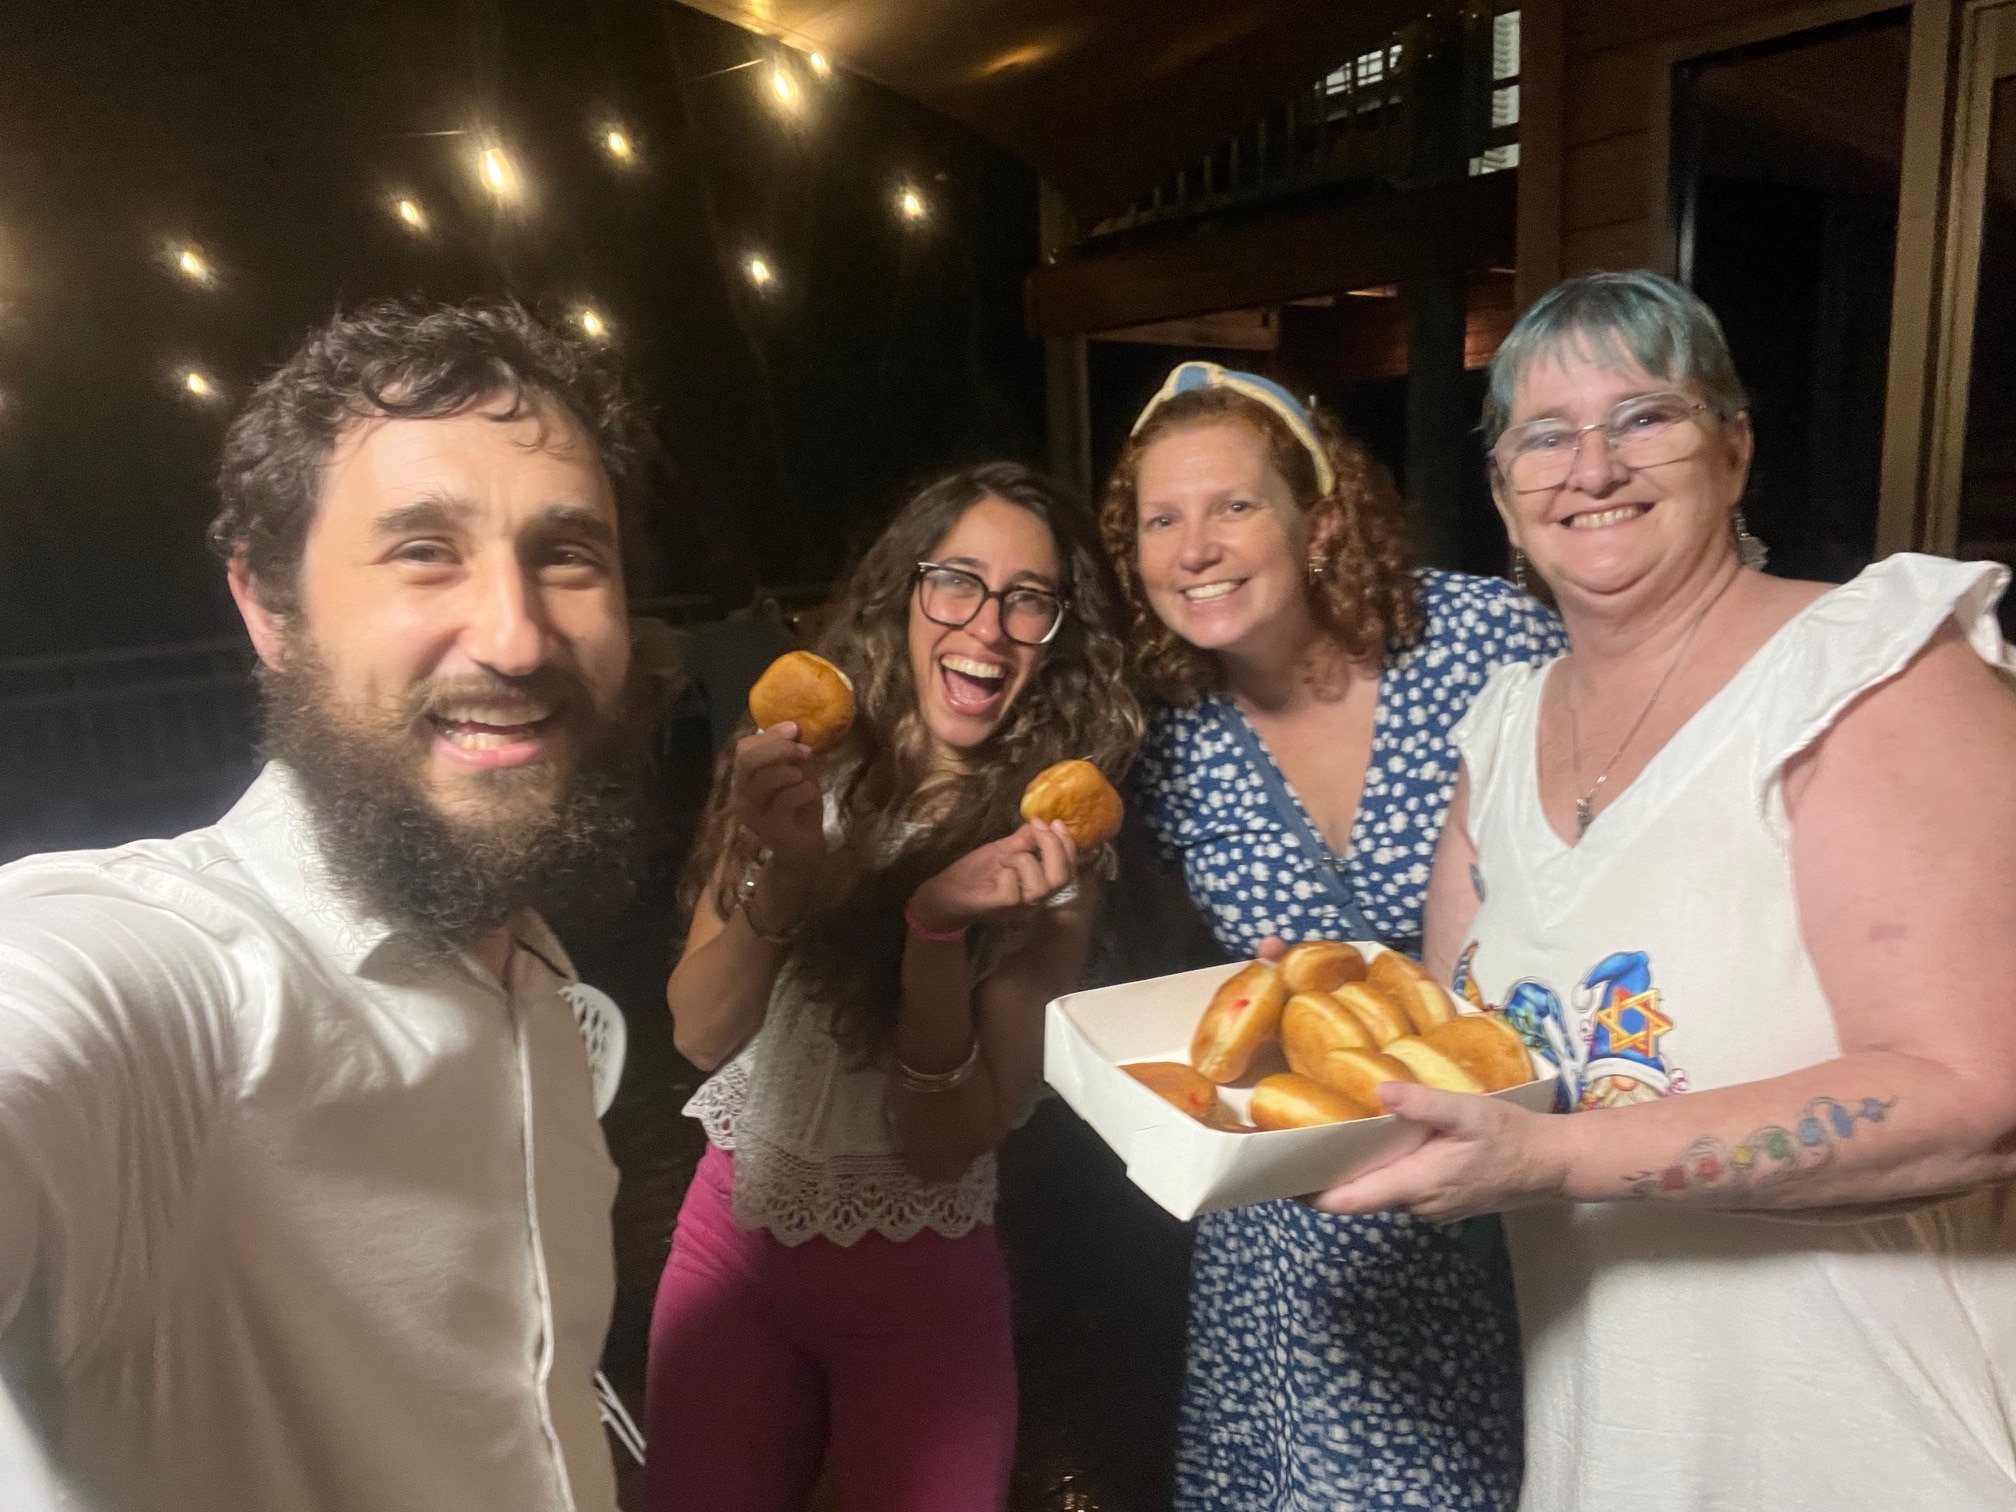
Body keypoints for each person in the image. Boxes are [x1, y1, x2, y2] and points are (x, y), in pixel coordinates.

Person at [1313, 269, 2016, 1508]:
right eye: (1546, 435)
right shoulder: (1501, 732)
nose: (1593, 468)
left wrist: (1557, 1159)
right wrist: (1318, 1022)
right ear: (1504, 498)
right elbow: (1465, 1054)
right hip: (1612, 1440)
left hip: (1875, 1446)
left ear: (1734, 450)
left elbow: (1976, 1097)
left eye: (1646, 416)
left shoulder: (1872, 670)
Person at [0, 299, 649, 1511]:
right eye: (423, 550)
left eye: (567, 554)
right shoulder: (173, 985)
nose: (516, 636)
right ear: (269, 609)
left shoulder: (532, 978)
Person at [1102, 361, 1566, 1509]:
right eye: (1162, 519)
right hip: (1292, 1227)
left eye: (1233, 505)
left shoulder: (1482, 641)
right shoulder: (1174, 738)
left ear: (1320, 520)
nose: (1195, 545)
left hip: (1503, 1182)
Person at [642, 463, 1141, 1511]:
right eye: (957, 581)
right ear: (906, 596)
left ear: (1057, 640)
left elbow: (943, 1143)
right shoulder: (792, 770)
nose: (988, 628)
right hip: (726, 1251)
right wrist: (784, 869)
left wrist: (935, 931)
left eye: (1029, 600)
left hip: (918, 1292)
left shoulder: (1050, 857)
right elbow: (698, 1034)